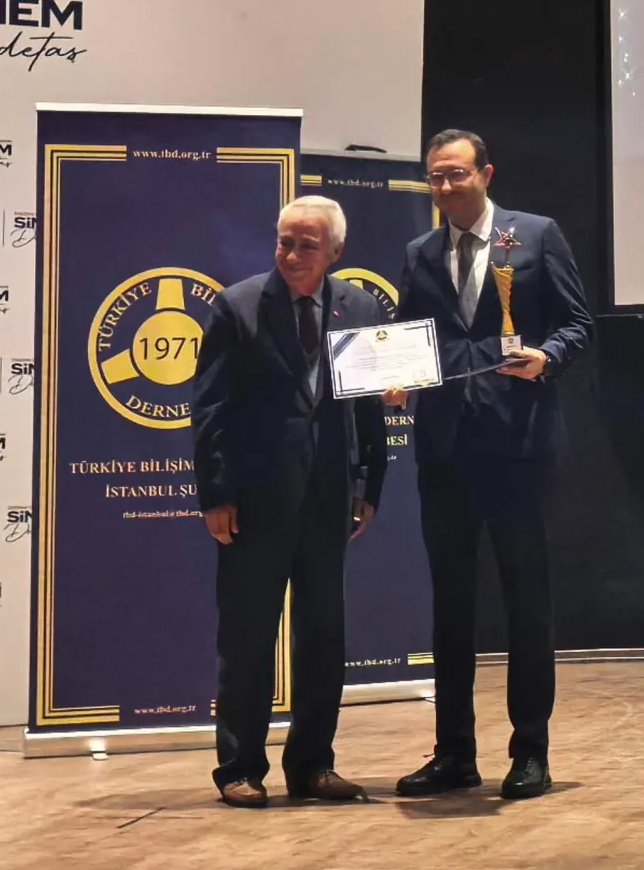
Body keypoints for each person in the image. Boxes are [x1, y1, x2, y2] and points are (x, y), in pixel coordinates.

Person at [386, 128, 593, 800]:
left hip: (519, 447)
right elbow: (410, 339)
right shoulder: (419, 253)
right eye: (436, 177)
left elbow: (578, 323)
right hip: (445, 451)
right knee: (450, 606)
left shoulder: (533, 235)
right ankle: (454, 754)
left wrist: (547, 357)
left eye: (457, 174)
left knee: (526, 602)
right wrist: (394, 376)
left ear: (486, 174)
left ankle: (530, 752)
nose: (446, 187)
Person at [192, 196, 390, 808]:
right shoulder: (238, 305)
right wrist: (216, 493)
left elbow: (368, 409)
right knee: (248, 636)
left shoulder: (359, 307)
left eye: (308, 245)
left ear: (336, 252)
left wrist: (370, 485)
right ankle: (239, 769)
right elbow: (211, 410)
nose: (293, 254)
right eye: (285, 242)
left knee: (323, 635)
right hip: (253, 500)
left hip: (329, 497)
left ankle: (313, 765)